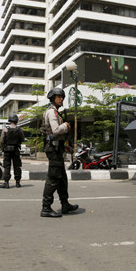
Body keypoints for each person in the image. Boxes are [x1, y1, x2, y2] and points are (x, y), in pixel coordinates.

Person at [40, 88, 79, 218]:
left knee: (62, 178)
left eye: (62, 97)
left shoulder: (56, 112)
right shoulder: (52, 112)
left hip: (57, 148)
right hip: (53, 150)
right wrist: (66, 126)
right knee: (53, 178)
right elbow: (56, 130)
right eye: (58, 97)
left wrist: (65, 147)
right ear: (52, 98)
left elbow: (55, 136)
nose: (61, 99)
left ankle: (65, 204)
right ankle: (46, 208)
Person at [0, 114, 25, 189]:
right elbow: (22, 139)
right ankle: (17, 183)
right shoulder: (19, 130)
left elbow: (1, 140)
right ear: (16, 121)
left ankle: (6, 183)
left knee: (7, 166)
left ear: (9, 120)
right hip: (16, 150)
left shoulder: (5, 129)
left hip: (7, 150)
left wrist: (3, 147)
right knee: (17, 166)